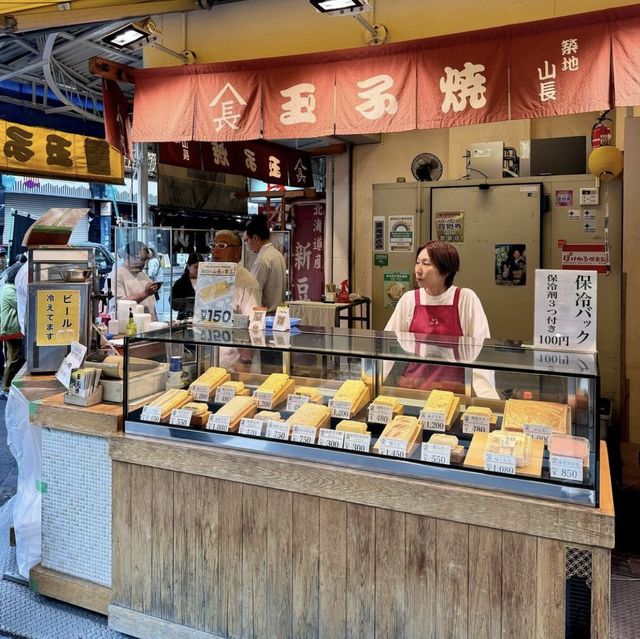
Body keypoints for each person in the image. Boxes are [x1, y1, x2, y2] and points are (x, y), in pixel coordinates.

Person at [385, 240, 496, 397]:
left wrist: (486, 399)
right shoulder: (409, 300)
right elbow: (387, 343)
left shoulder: (465, 299)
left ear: (445, 270)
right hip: (414, 389)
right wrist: (371, 383)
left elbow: (481, 352)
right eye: (417, 263)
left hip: (453, 392)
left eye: (426, 264)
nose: (418, 270)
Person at [243, 214, 286, 313]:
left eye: (246, 240)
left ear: (255, 238)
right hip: (278, 313)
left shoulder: (262, 259)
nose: (247, 244)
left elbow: (253, 292)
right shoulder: (278, 255)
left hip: (265, 316)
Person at [212, 230, 261, 315]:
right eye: (213, 246)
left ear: (237, 252)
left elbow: (251, 321)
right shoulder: (208, 278)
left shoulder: (247, 283)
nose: (215, 251)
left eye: (222, 246)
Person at [0, 260, 26, 398]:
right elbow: (21, 304)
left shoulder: (10, 289)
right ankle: (5, 387)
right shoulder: (9, 290)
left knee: (14, 358)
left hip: (13, 328)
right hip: (11, 329)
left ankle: (7, 385)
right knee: (13, 359)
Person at [116, 241, 160, 320]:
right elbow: (120, 304)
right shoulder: (117, 275)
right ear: (127, 256)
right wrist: (146, 293)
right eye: (139, 259)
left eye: (145, 260)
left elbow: (152, 305)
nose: (142, 263)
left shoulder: (143, 275)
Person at [171, 252, 203, 320]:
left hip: (202, 318)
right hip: (185, 319)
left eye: (201, 267)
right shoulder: (180, 283)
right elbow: (173, 304)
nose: (198, 270)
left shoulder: (207, 282)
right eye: (196, 267)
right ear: (188, 266)